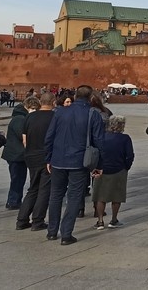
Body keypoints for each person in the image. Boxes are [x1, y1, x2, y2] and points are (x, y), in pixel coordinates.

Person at [44, 85, 106, 245]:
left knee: (55, 195)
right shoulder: (93, 114)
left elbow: (49, 137)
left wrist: (48, 158)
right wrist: (99, 164)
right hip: (79, 161)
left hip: (58, 160)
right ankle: (66, 234)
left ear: (76, 95)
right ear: (91, 97)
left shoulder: (59, 112)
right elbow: (99, 142)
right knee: (74, 197)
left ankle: (52, 232)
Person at [17, 92, 57, 231]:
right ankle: (37, 221)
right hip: (46, 157)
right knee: (44, 189)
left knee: (33, 188)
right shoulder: (54, 117)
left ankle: (21, 220)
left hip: (31, 156)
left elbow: (25, 139)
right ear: (53, 102)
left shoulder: (30, 116)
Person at [93, 116, 133, 229]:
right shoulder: (125, 138)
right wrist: (126, 167)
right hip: (119, 169)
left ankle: (100, 221)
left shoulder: (101, 137)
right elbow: (129, 155)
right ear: (122, 126)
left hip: (102, 169)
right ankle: (113, 219)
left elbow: (96, 153)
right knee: (117, 196)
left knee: (100, 196)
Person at [2, 97, 37, 210]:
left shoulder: (21, 117)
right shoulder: (19, 119)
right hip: (16, 155)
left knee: (19, 178)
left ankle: (15, 200)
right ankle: (13, 201)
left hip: (18, 154)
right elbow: (22, 135)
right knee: (17, 179)